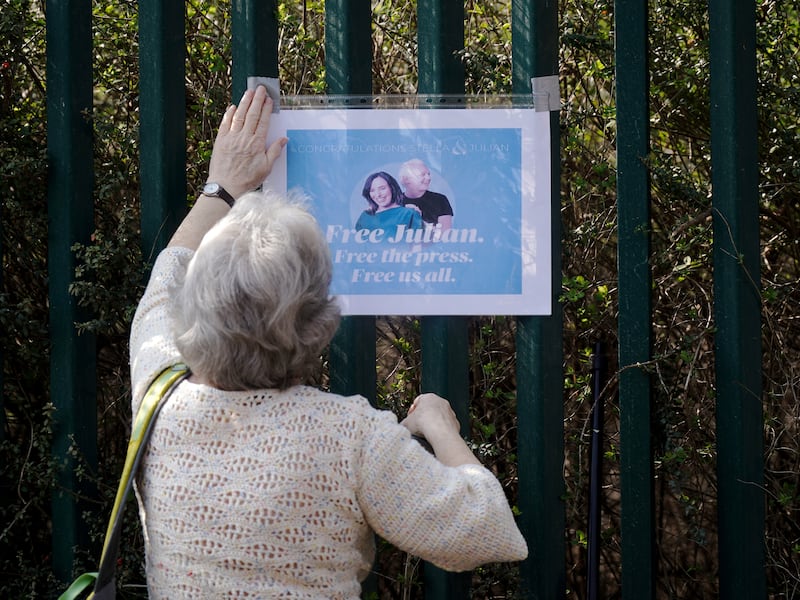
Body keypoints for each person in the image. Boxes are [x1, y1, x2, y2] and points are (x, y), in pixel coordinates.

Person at [129, 84, 527, 599]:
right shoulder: (349, 437)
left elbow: (165, 280)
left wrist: (222, 188)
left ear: (196, 301)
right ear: (319, 321)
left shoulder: (158, 398)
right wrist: (439, 426)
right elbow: (489, 529)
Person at [354, 171, 423, 232]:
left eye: (382, 188)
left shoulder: (409, 213)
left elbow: (418, 245)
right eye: (372, 190)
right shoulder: (365, 216)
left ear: (392, 188)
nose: (378, 194)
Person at [398, 158, 454, 230]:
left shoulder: (440, 200)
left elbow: (445, 234)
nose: (428, 178)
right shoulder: (394, 202)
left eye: (428, 174)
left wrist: (419, 221)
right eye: (422, 175)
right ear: (406, 179)